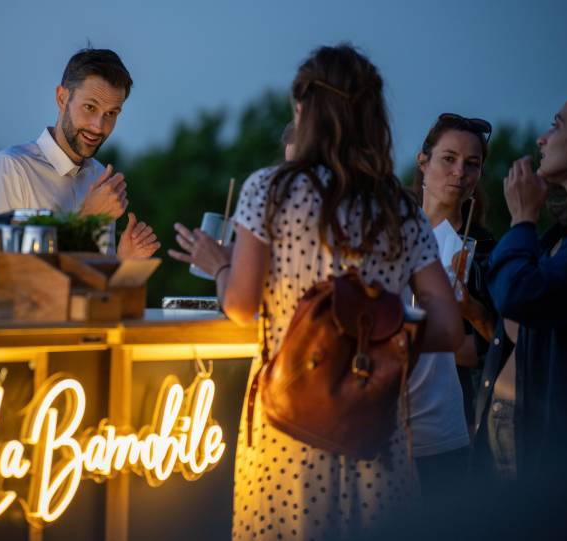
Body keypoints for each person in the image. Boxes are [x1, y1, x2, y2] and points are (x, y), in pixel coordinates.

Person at [170, 44, 462, 539]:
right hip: (377, 434)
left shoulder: (271, 190)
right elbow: (449, 328)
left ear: (305, 109)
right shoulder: (398, 205)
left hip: (288, 440)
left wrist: (219, 266)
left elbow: (241, 307)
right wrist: (371, 333)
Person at [486, 83, 567, 485]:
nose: (542, 138)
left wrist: (522, 217)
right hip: (524, 452)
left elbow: (520, 295)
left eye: (557, 126)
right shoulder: (565, 236)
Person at [0, 48, 159, 258]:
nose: (98, 126)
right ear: (62, 98)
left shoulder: (99, 177)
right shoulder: (11, 168)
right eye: (90, 107)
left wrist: (123, 262)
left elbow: (94, 284)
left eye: (110, 113)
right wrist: (88, 218)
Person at [407, 114, 497, 497]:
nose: (460, 172)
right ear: (423, 161)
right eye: (449, 158)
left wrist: (469, 310)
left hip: (446, 425)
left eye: (472, 164)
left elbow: (480, 351)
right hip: (379, 418)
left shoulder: (485, 252)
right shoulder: (389, 235)